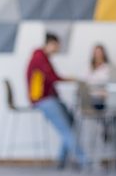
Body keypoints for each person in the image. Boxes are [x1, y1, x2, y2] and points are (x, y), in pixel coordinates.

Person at [25, 32, 87, 168]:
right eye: (57, 46)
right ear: (52, 44)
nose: (58, 49)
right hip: (42, 100)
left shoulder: (43, 57)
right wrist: (70, 79)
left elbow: (51, 78)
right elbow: (53, 78)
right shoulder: (39, 58)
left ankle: (62, 161)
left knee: (70, 121)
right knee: (66, 130)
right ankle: (85, 161)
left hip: (49, 98)